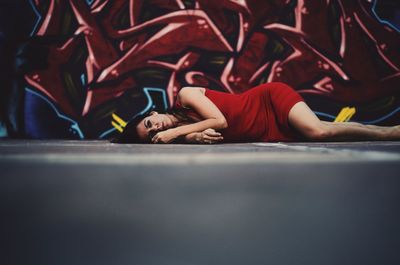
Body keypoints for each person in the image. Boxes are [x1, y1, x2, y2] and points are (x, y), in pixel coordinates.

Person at [112, 82, 400, 144]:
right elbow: (210, 133)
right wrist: (192, 136)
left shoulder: (185, 96)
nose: (157, 127)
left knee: (318, 130)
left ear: (152, 112)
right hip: (262, 129)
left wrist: (174, 131)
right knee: (318, 128)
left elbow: (220, 121)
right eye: (152, 132)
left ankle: (389, 132)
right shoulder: (186, 135)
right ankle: (384, 130)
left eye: (150, 122)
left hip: (267, 101)